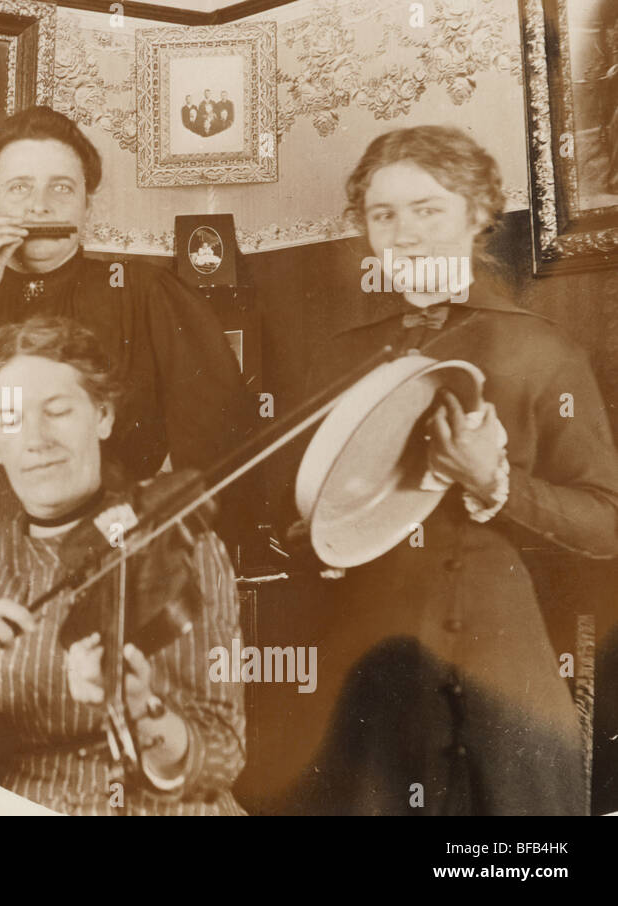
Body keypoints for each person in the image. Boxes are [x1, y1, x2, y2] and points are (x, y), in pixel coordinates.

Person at [0, 105, 250, 808]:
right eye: (19, 189)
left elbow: (217, 428)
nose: (39, 206)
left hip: (103, 544)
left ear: (87, 204)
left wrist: (154, 515)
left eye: (61, 189)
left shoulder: (145, 292)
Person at [288, 125, 618, 814]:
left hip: (504, 660)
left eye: (427, 209)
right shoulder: (335, 358)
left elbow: (605, 523)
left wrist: (492, 484)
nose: (403, 233)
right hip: (371, 664)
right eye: (383, 215)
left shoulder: (543, 351)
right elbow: (297, 520)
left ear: (477, 215)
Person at [0, 316, 245, 815]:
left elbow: (223, 755)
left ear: (103, 416)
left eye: (58, 410)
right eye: (10, 420)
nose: (36, 439)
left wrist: (143, 711)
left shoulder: (180, 544)